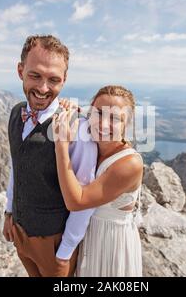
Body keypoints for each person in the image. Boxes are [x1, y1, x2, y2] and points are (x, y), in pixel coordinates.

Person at [2, 34, 97, 277]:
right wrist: (9, 212)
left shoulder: (78, 128)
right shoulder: (15, 113)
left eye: (53, 79)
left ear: (63, 81)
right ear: (20, 70)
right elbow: (18, 165)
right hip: (21, 233)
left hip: (53, 243)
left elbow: (84, 200)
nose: (43, 88)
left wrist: (65, 253)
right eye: (35, 75)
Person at [53, 85, 143, 276]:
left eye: (115, 118)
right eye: (99, 113)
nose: (102, 124)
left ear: (126, 126)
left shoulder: (129, 164)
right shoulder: (91, 142)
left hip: (112, 246)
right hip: (88, 239)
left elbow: (76, 202)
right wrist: (66, 107)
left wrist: (61, 147)